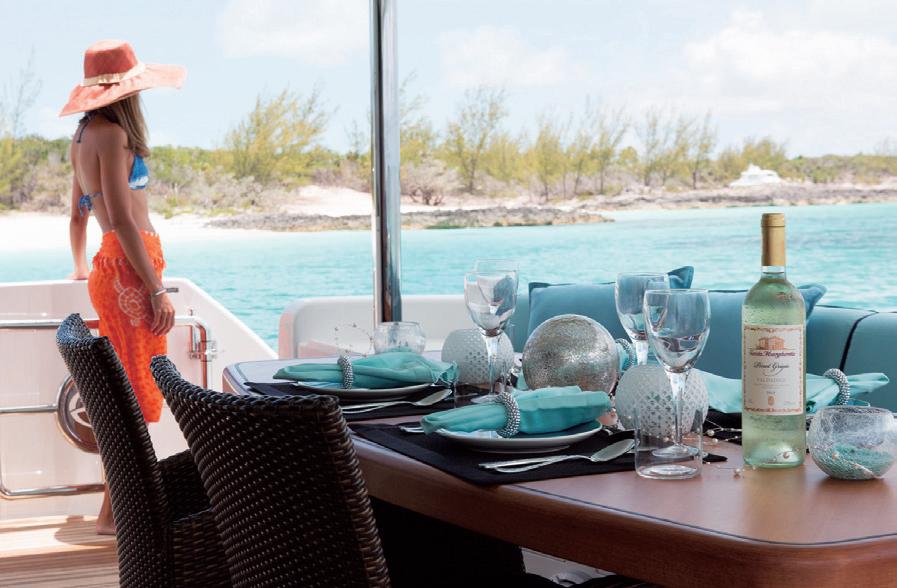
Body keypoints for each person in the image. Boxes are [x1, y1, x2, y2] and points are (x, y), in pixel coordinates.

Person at [60, 39, 185, 535]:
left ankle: (115, 511)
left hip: (109, 268)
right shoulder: (112, 134)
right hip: (131, 272)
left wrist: (80, 267)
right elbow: (122, 218)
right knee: (134, 392)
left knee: (125, 392)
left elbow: (79, 214)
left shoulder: (81, 136)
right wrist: (156, 288)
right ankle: (116, 516)